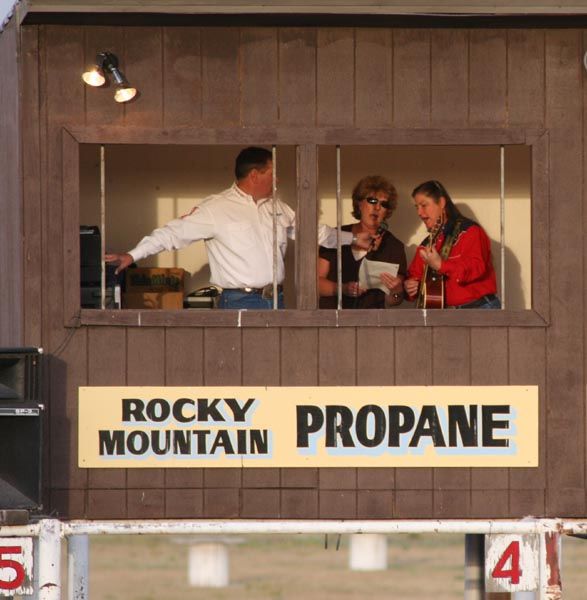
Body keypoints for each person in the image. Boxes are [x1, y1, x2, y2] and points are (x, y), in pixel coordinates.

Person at [105, 147, 371, 309]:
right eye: (272, 174)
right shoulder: (216, 208)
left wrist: (353, 238)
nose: (277, 180)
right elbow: (172, 234)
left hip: (276, 299)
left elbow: (316, 232)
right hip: (240, 302)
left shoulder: (277, 207)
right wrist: (132, 255)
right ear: (254, 175)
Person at [404, 180, 501, 309]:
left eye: (424, 205)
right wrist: (410, 286)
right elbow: (413, 276)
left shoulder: (470, 232)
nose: (419, 213)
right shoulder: (426, 245)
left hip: (479, 309)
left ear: (442, 203)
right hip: (448, 317)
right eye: (417, 207)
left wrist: (441, 265)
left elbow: (477, 268)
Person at [318, 175, 407, 309]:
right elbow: (315, 284)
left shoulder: (394, 246)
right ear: (359, 203)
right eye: (372, 200)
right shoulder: (336, 236)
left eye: (383, 204)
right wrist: (342, 288)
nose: (377, 207)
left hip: (370, 323)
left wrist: (396, 291)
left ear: (387, 211)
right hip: (331, 321)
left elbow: (394, 301)